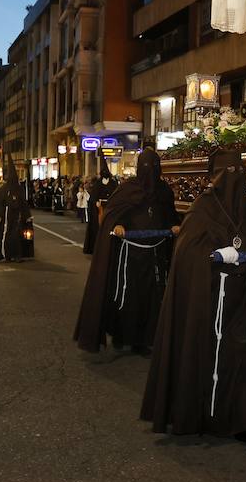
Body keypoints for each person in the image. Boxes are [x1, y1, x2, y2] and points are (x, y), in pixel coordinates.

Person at [141, 150, 246, 451]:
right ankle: (206, 416)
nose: (236, 177)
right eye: (229, 171)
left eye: (241, 170)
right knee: (217, 361)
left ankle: (245, 422)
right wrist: (215, 259)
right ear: (215, 176)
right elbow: (188, 255)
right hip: (213, 302)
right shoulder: (202, 210)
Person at [74, 149, 180, 354]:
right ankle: (122, 335)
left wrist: (174, 226)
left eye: (154, 167)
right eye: (147, 167)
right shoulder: (128, 190)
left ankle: (144, 339)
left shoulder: (164, 191)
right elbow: (114, 215)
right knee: (128, 297)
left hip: (155, 255)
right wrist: (119, 225)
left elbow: (169, 215)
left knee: (151, 298)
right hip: (130, 256)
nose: (151, 172)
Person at [0, 157, 35, 262]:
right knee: (7, 235)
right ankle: (7, 254)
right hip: (7, 217)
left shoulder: (16, 189)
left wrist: (27, 215)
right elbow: (0, 203)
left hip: (16, 217)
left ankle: (16, 254)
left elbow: (23, 203)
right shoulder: (5, 190)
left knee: (17, 236)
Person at [83, 154, 117, 255]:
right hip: (99, 208)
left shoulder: (113, 183)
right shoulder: (98, 184)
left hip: (109, 208)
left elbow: (115, 194)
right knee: (98, 227)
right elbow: (94, 196)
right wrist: (96, 202)